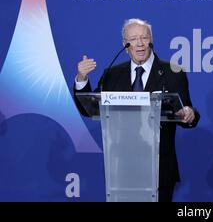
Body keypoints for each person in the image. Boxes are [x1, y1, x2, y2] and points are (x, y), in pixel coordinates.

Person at [73, 18, 200, 202]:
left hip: (159, 168)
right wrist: (81, 78)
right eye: (133, 39)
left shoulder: (172, 72)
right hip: (121, 169)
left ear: (151, 40)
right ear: (125, 45)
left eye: (143, 37)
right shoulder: (112, 74)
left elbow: (187, 113)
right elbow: (90, 109)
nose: (139, 44)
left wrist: (189, 114)